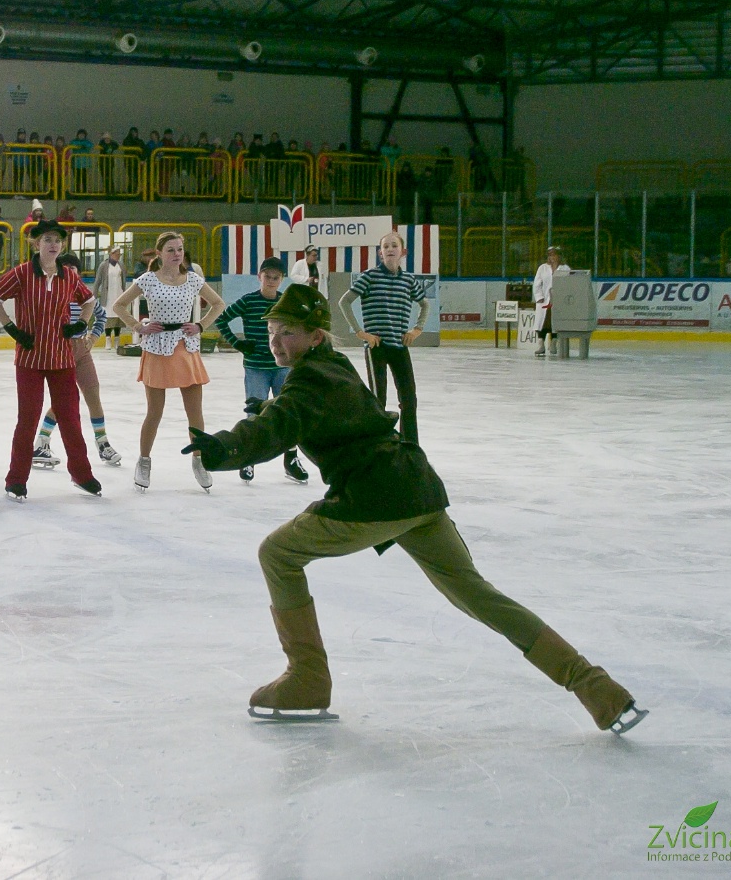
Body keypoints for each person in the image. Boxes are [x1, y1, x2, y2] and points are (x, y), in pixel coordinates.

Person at [180, 284, 647, 733]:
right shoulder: (333, 365)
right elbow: (296, 415)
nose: (276, 341)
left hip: (374, 497)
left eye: (288, 332)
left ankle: (307, 679)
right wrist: (260, 417)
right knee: (478, 595)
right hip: (416, 489)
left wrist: (224, 448)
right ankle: (597, 688)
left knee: (277, 553)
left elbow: (278, 426)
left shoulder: (309, 379)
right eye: (272, 331)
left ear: (316, 336)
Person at [0, 219, 100, 501]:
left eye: (58, 240)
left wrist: (81, 324)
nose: (53, 245)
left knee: (71, 419)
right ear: (36, 243)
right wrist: (12, 328)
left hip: (62, 359)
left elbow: (88, 301)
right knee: (27, 420)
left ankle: (82, 474)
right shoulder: (22, 273)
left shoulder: (69, 276)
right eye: (48, 239)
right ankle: (16, 479)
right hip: (30, 360)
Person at [111, 231, 225, 493]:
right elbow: (119, 305)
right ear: (160, 253)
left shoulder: (193, 279)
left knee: (195, 413)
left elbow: (218, 304)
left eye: (180, 249)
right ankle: (144, 461)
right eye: (171, 250)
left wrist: (200, 325)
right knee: (155, 412)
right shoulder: (149, 279)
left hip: (186, 347)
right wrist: (138, 326)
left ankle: (199, 460)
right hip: (157, 347)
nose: (177, 254)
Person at [214, 257, 308, 484]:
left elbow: (300, 327)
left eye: (276, 277)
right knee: (254, 412)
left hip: (283, 366)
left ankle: (291, 459)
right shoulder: (248, 301)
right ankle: (248, 457)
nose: (271, 281)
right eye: (267, 276)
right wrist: (237, 343)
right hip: (256, 367)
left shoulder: (285, 302)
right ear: (259, 277)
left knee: (289, 411)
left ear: (282, 279)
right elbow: (221, 319)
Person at [338, 230, 428, 446]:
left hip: (399, 345)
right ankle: (379, 442)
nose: (390, 249)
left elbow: (424, 304)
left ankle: (410, 444)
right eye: (385, 246)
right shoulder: (369, 276)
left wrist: (417, 329)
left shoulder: (408, 280)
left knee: (409, 399)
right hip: (376, 346)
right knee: (378, 399)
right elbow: (344, 302)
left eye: (394, 245)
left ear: (403, 251)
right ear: (380, 253)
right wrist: (360, 332)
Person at [32, 297, 122, 470]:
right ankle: (41, 442)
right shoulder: (57, 295)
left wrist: (93, 339)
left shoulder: (86, 296)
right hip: (61, 351)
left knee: (93, 395)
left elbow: (101, 315)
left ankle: (102, 443)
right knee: (64, 399)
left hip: (82, 350)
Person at [532, 246, 569, 358]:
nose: (552, 257)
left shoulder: (565, 269)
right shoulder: (542, 268)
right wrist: (539, 297)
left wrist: (562, 297)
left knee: (555, 322)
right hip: (544, 300)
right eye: (550, 255)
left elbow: (568, 284)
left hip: (558, 300)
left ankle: (553, 343)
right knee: (542, 323)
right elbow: (537, 284)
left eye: (554, 254)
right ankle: (541, 345)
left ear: (559, 256)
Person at [91, 245, 125, 348]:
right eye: (116, 254)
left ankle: (117, 339)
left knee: (118, 316)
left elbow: (123, 280)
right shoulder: (103, 265)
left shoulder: (121, 265)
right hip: (108, 295)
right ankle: (108, 339)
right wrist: (94, 296)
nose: (118, 256)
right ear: (111, 254)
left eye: (119, 254)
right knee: (108, 316)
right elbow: (97, 281)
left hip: (119, 293)